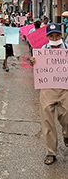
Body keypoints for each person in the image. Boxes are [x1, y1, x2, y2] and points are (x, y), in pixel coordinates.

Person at [30, 23, 68, 165]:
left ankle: (67, 135)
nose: (54, 37)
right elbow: (36, 66)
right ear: (47, 37)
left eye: (57, 35)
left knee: (67, 117)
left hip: (65, 88)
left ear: (61, 35)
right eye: (51, 35)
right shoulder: (42, 51)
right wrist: (33, 62)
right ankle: (51, 152)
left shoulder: (67, 50)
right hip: (47, 88)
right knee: (47, 121)